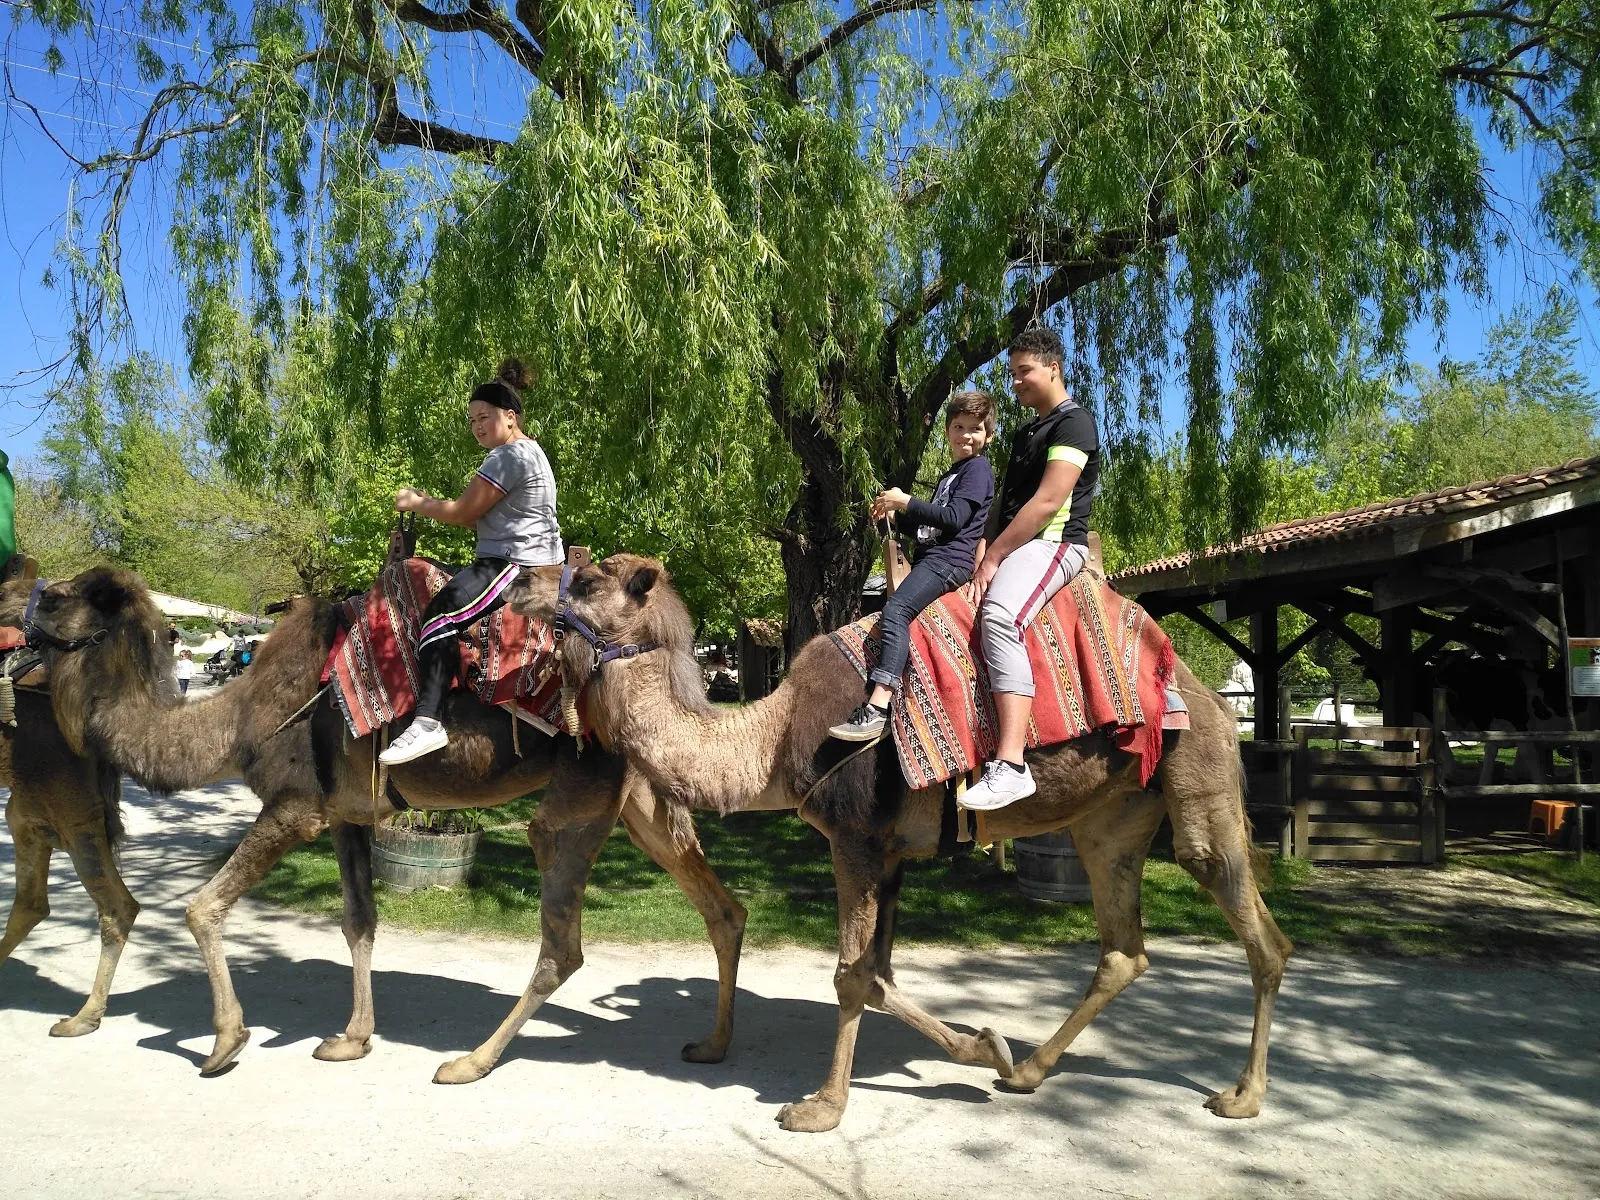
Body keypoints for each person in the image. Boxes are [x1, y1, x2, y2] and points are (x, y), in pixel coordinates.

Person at [379, 358, 564, 766]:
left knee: (440, 615)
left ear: (510, 417)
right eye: (472, 420)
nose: (478, 426)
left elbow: (464, 512)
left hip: (514, 565)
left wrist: (415, 501)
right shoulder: (531, 453)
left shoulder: (508, 457)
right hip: (523, 557)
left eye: (485, 417)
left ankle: (426, 721)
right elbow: (477, 515)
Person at [960, 326, 1098, 811]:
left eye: (1024, 372)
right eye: (1012, 373)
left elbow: (1047, 501)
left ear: (1053, 367)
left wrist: (997, 556)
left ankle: (1013, 764)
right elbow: (1006, 501)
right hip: (1013, 544)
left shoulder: (1075, 424)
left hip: (1053, 543)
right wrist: (982, 549)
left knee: (999, 617)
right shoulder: (1025, 432)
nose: (1015, 382)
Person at [829, 390, 996, 741]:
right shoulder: (952, 475)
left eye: (975, 429)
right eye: (959, 426)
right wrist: (893, 516)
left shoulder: (978, 470)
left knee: (896, 612)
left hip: (949, 561)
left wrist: (905, 500)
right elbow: (928, 529)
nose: (966, 435)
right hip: (933, 555)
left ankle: (878, 705)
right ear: (948, 431)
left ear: (988, 435)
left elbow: (954, 518)